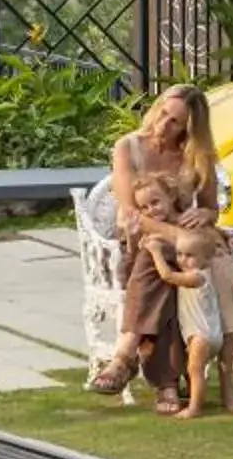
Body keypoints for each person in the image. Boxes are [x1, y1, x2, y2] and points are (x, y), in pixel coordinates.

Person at [88, 83, 218, 414]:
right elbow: (131, 214)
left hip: (179, 252)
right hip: (134, 244)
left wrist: (205, 213)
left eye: (175, 121)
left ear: (189, 127)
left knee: (166, 271)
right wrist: (178, 236)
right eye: (162, 113)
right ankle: (166, 383)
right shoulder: (127, 147)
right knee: (158, 262)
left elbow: (211, 208)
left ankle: (126, 357)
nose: (163, 124)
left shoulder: (195, 156)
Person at [149, 217, 233, 417]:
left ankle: (194, 408)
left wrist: (155, 251)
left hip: (203, 335)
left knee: (196, 371)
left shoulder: (197, 277)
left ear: (207, 259)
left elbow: (167, 276)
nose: (183, 259)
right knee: (198, 369)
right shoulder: (198, 269)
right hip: (208, 332)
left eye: (189, 255)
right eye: (180, 254)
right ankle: (214, 399)